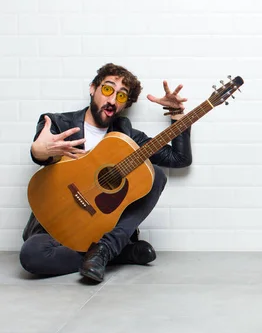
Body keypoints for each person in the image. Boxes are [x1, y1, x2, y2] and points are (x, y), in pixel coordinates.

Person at [19, 63, 192, 282]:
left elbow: (179, 159)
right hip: (55, 226)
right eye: (108, 90)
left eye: (121, 96)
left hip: (100, 231)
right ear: (93, 88)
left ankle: (105, 249)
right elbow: (41, 151)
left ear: (125, 104)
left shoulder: (127, 137)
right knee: (32, 255)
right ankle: (117, 254)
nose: (112, 100)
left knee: (155, 174)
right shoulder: (58, 123)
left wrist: (176, 114)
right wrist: (39, 150)